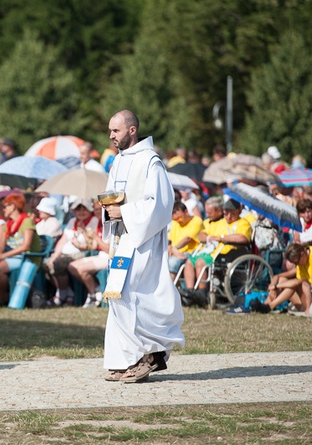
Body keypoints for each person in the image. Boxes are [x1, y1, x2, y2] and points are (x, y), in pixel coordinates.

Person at [100, 110, 184, 383]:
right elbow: (112, 199)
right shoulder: (117, 161)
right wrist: (109, 211)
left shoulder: (151, 162)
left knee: (135, 295)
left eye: (116, 131)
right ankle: (126, 359)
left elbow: (159, 203)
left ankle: (152, 354)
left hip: (143, 240)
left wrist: (124, 212)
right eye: (110, 131)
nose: (111, 136)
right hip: (122, 239)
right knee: (118, 296)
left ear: (132, 130)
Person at [181, 198, 252, 307]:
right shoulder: (220, 222)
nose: (228, 216)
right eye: (226, 213)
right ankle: (190, 292)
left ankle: (202, 293)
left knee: (200, 262)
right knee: (189, 262)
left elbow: (242, 238)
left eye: (231, 214)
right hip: (213, 251)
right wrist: (209, 237)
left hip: (229, 253)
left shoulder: (243, 223)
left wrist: (222, 238)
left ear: (239, 211)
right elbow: (202, 234)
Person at [0, 193, 41, 309]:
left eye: (5, 206)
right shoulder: (7, 224)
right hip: (12, 257)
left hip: (28, 258)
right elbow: (1, 246)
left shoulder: (27, 221)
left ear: (13, 206)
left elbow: (25, 246)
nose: (3, 209)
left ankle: (1, 297)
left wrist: (2, 256)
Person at [44, 198, 100, 306]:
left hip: (82, 253)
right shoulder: (72, 221)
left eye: (84, 209)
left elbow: (92, 243)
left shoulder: (94, 221)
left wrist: (83, 233)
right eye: (78, 209)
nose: (81, 212)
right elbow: (63, 240)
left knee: (59, 264)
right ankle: (67, 291)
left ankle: (62, 295)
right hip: (65, 253)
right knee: (46, 265)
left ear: (90, 210)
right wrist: (55, 255)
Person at [167, 201, 203, 281]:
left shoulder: (196, 221)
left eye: (179, 218)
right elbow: (170, 240)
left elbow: (188, 238)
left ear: (186, 212)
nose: (177, 221)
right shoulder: (175, 223)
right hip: (176, 252)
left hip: (191, 252)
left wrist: (175, 248)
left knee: (172, 262)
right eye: (175, 219)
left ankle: (168, 288)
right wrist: (171, 249)